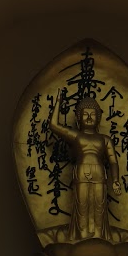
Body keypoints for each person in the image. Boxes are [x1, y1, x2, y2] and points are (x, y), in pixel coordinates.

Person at [48, 96, 122, 242]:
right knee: (82, 207)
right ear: (78, 117)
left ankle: (98, 237)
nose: (89, 117)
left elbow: (113, 162)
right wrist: (58, 103)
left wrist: (116, 180)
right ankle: (81, 238)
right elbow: (54, 125)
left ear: (98, 118)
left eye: (93, 114)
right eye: (85, 114)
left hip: (100, 174)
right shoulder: (76, 136)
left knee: (99, 207)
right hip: (81, 173)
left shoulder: (105, 139)